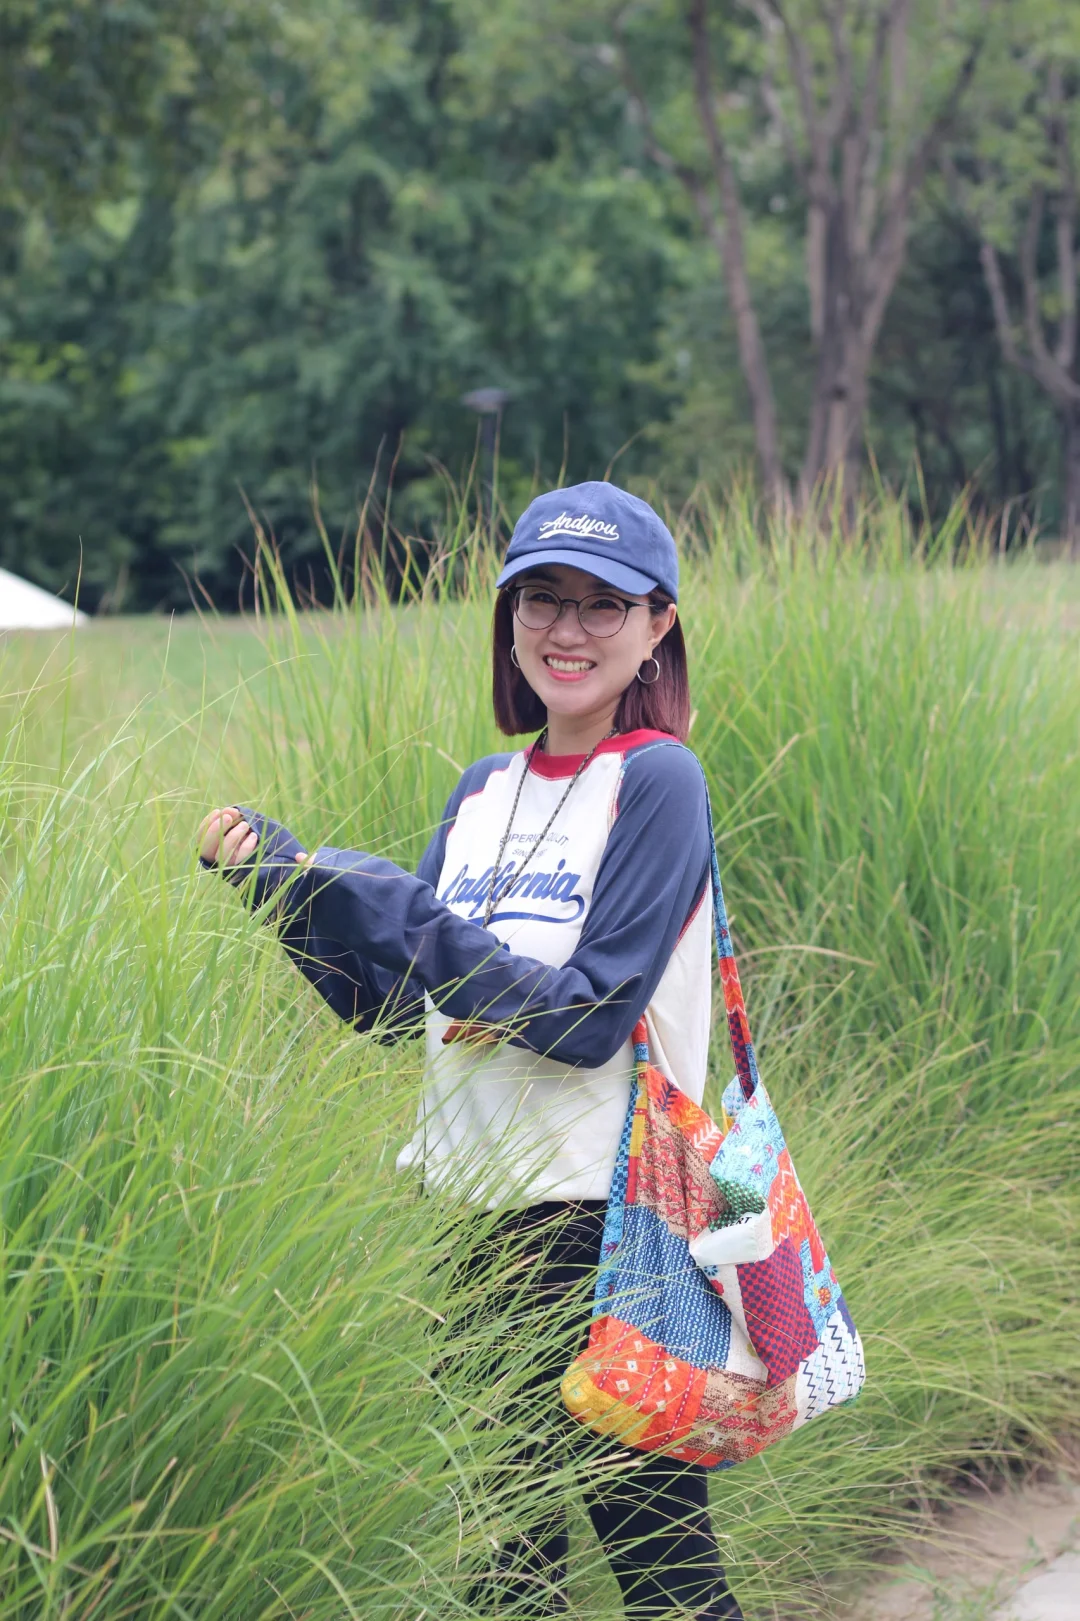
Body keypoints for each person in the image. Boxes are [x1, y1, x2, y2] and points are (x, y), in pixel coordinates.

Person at [197, 482, 745, 1620]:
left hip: (606, 1230)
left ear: (658, 627)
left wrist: (401, 904)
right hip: (475, 1223)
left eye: (604, 605)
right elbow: (402, 1008)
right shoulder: (481, 793)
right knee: (505, 1574)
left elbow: (588, 1016)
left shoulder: (658, 783)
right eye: (542, 597)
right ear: (507, 617)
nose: (567, 629)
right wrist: (295, 894)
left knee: (664, 1575)